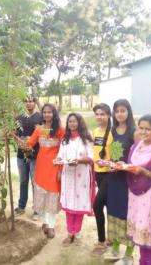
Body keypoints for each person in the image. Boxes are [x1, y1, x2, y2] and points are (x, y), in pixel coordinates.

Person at [125, 115, 151, 265]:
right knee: (140, 234)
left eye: (148, 129)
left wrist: (144, 172)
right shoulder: (136, 146)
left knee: (150, 235)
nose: (143, 132)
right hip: (135, 197)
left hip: (150, 197)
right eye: (141, 128)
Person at [21, 103, 64, 239]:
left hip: (55, 166)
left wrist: (60, 169)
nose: (47, 114)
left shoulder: (60, 130)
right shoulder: (39, 129)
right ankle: (45, 223)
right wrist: (16, 138)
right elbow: (29, 145)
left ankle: (51, 226)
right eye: (44, 112)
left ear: (54, 114)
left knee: (52, 195)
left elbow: (64, 150)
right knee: (43, 195)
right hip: (41, 167)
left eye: (49, 112)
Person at [104, 99, 138, 264]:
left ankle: (129, 253)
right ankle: (116, 248)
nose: (119, 114)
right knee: (114, 211)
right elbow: (115, 153)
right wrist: (109, 163)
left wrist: (125, 166)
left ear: (128, 112)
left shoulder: (134, 131)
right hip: (114, 178)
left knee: (127, 214)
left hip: (127, 179)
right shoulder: (113, 130)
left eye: (123, 111)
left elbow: (139, 156)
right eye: (117, 111)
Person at [54, 113, 94, 246]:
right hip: (68, 177)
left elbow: (91, 157)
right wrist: (57, 161)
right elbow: (60, 156)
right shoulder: (65, 140)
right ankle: (69, 233)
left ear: (80, 122)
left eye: (75, 121)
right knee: (69, 204)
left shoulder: (86, 139)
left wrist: (79, 160)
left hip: (82, 176)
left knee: (79, 203)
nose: (72, 124)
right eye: (70, 121)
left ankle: (77, 233)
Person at [91, 103, 113, 255]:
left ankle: (101, 240)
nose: (99, 117)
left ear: (108, 116)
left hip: (111, 175)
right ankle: (111, 238)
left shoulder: (114, 133)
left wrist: (110, 163)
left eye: (102, 114)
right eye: (97, 114)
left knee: (97, 206)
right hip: (98, 173)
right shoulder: (95, 131)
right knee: (106, 206)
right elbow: (94, 151)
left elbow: (118, 154)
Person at [14, 97, 42, 219]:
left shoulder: (40, 118)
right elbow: (14, 134)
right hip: (21, 155)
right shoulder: (19, 118)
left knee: (35, 183)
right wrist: (20, 144)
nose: (28, 103)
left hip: (35, 155)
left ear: (35, 103)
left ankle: (37, 209)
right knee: (23, 181)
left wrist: (31, 145)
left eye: (31, 101)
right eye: (26, 101)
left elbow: (44, 134)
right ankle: (21, 206)